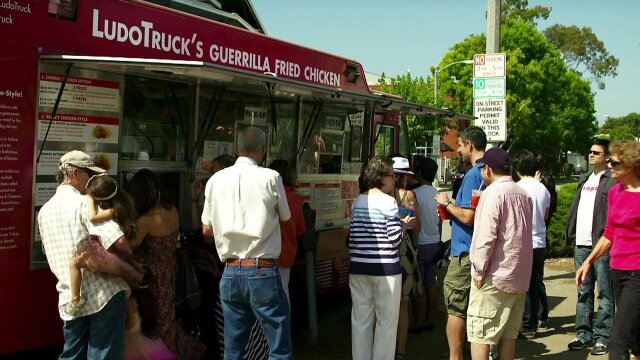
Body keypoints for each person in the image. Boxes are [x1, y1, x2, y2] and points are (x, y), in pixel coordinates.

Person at [201, 127, 293, 359]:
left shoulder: (215, 180)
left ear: (236, 149)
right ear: (263, 151)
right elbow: (286, 217)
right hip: (262, 270)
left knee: (233, 349)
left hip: (230, 271)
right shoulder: (271, 177)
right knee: (279, 347)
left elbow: (206, 229)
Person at [38, 150, 129, 359]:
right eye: (90, 174)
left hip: (70, 295)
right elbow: (119, 241)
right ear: (75, 174)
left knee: (72, 354)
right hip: (103, 293)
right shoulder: (84, 203)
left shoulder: (44, 211)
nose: (92, 180)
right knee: (103, 354)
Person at [127, 169, 206, 359]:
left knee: (153, 319)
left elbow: (128, 248)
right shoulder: (172, 211)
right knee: (168, 317)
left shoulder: (146, 221)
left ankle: (161, 353)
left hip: (153, 275)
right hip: (170, 269)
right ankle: (171, 349)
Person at [576, 140, 640, 360]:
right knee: (634, 336)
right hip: (617, 270)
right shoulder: (615, 192)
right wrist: (588, 262)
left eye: (615, 161)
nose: (610, 165)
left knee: (619, 339)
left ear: (631, 164)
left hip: (637, 274)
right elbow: (609, 233)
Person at [468, 148, 533, 360]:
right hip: (519, 276)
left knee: (480, 333)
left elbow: (485, 239)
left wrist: (477, 272)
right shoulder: (524, 194)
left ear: (487, 169)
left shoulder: (492, 194)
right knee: (509, 335)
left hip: (494, 277)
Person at [348, 157, 414, 360]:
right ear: (382, 178)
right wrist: (403, 225)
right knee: (386, 323)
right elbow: (394, 239)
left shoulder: (358, 201)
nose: (395, 180)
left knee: (361, 321)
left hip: (358, 268)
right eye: (392, 176)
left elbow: (353, 238)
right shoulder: (389, 202)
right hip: (385, 270)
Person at [434, 126, 487, 360]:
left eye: (460, 145)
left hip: (465, 250)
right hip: (476, 249)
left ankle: (455, 356)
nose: (457, 150)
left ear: (470, 145)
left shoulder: (474, 174)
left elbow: (467, 215)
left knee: (455, 306)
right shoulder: (487, 172)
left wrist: (445, 203)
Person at [64, 173, 148, 316]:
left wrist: (127, 254)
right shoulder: (119, 208)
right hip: (119, 256)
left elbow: (94, 218)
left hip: (113, 256)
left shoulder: (109, 212)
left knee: (75, 263)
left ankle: (75, 299)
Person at [566, 137, 617, 355]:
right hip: (582, 244)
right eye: (590, 151)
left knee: (604, 293)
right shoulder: (585, 178)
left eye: (596, 152)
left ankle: (603, 336)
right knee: (583, 292)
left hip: (602, 245)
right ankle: (583, 334)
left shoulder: (612, 181)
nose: (591, 154)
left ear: (606, 157)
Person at [515, 153, 551, 338]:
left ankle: (523, 324)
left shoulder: (516, 188)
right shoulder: (543, 189)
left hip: (522, 242)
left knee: (521, 286)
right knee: (535, 284)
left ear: (518, 169)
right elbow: (545, 215)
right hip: (539, 241)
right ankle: (532, 324)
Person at [391, 156, 422, 360]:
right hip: (405, 248)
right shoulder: (409, 196)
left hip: (385, 249)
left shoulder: (384, 196)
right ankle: (401, 350)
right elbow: (416, 227)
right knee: (403, 304)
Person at [269, 159, 306, 302]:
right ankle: (283, 324)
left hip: (264, 252)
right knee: (283, 290)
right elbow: (301, 229)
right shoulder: (295, 199)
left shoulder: (267, 195)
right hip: (286, 252)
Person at [412, 157, 441, 333]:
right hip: (434, 242)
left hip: (420, 243)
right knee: (431, 283)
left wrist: (414, 245)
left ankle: (418, 321)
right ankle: (430, 319)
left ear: (419, 172)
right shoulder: (437, 193)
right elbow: (440, 222)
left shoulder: (415, 194)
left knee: (418, 285)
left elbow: (416, 223)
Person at [125, 288, 176, 360]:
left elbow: (131, 324)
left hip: (136, 345)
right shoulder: (143, 294)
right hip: (150, 342)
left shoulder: (128, 297)